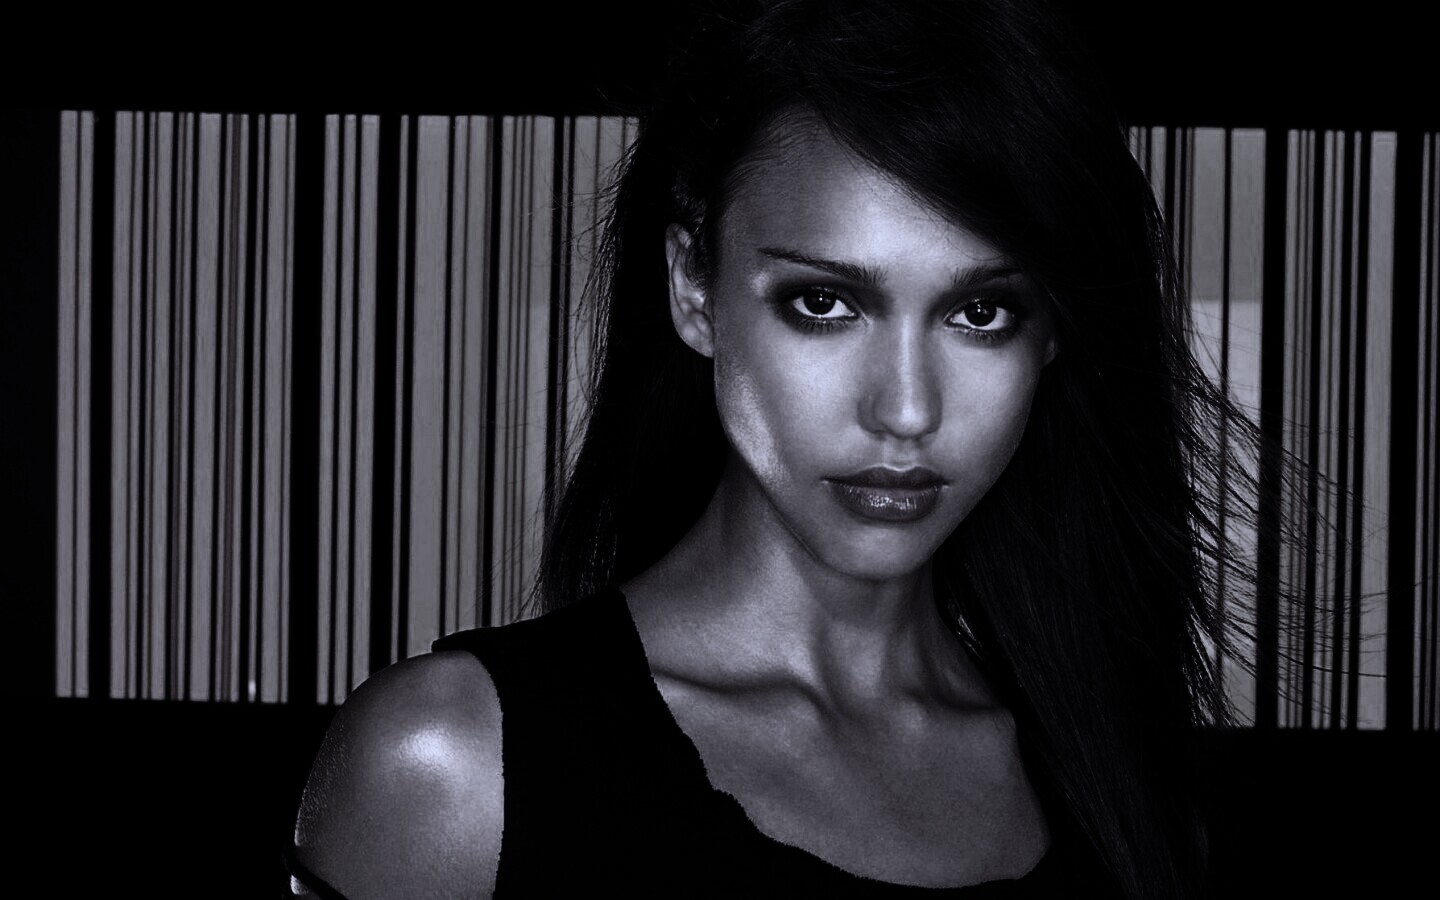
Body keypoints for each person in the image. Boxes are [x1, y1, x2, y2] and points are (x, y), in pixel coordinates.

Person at [289, 1, 1253, 896]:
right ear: (693, 286)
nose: (906, 410)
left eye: (980, 313)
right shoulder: (458, 768)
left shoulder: (1113, 780)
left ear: (1052, 334)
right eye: (824, 303)